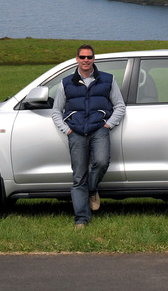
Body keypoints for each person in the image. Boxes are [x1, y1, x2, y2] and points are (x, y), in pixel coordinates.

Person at [51, 44, 126, 227]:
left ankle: (92, 189)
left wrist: (108, 125)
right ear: (77, 59)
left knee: (101, 162)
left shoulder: (107, 80)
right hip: (76, 132)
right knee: (79, 176)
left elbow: (119, 106)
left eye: (89, 57)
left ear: (94, 59)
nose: (86, 60)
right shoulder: (66, 83)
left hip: (99, 129)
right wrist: (67, 130)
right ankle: (81, 219)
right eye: (82, 57)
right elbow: (56, 112)